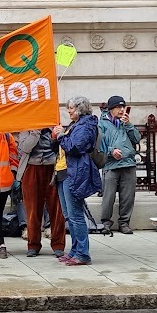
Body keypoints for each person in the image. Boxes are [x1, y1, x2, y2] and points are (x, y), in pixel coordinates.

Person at [56, 97, 99, 266]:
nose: (69, 111)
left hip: (74, 173)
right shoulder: (75, 124)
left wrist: (60, 136)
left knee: (75, 215)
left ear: (80, 109)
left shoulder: (85, 125)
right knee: (69, 215)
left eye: (71, 108)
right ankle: (74, 250)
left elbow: (75, 147)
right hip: (64, 172)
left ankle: (82, 253)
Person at [16, 128, 65, 258]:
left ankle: (58, 245)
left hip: (53, 168)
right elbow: (25, 148)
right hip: (32, 168)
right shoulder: (27, 128)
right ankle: (33, 245)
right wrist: (35, 132)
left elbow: (62, 147)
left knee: (57, 209)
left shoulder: (56, 127)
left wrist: (56, 135)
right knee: (32, 209)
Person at [99, 95, 141, 234]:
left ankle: (124, 223)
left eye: (123, 107)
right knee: (108, 196)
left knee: (128, 196)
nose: (121, 110)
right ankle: (105, 223)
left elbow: (137, 138)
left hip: (128, 163)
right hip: (111, 165)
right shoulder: (102, 123)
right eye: (118, 107)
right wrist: (111, 151)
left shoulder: (126, 123)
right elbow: (98, 143)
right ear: (111, 109)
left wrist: (129, 125)